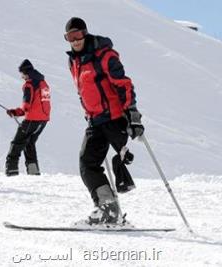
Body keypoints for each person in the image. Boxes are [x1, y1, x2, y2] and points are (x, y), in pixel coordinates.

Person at [64, 17, 145, 224]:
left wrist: (132, 114)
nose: (74, 41)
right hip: (94, 120)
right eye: (69, 37)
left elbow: (124, 85)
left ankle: (110, 212)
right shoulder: (74, 61)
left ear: (85, 33)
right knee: (87, 164)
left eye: (78, 35)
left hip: (113, 118)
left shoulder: (105, 56)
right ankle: (108, 209)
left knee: (111, 160)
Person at [5, 59, 51, 176]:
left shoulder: (29, 85)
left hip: (32, 120)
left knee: (17, 143)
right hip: (43, 120)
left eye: (22, 74)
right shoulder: (43, 84)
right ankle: (33, 172)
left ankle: (11, 171)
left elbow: (26, 106)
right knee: (29, 143)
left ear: (26, 73)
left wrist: (15, 112)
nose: (22, 77)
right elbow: (45, 102)